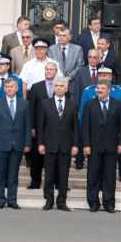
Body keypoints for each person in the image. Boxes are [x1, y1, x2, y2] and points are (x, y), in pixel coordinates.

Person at [82, 81, 121, 213]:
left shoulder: (118, 105)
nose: (99, 90)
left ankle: (109, 203)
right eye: (98, 88)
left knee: (109, 176)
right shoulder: (89, 104)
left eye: (102, 88)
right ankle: (93, 202)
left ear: (109, 90)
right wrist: (86, 144)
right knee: (93, 175)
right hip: (94, 147)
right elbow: (85, 127)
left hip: (111, 147)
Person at [37, 77, 78, 211]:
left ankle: (62, 202)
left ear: (66, 89)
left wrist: (75, 145)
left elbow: (76, 127)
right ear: (53, 88)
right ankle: (49, 201)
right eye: (57, 86)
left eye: (62, 86)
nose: (59, 88)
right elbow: (41, 126)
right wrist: (41, 143)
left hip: (66, 146)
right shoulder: (45, 104)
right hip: (50, 145)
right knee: (49, 175)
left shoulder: (72, 104)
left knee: (63, 175)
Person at [0, 78, 31, 209]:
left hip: (18, 144)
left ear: (17, 88)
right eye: (7, 86)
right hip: (1, 144)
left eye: (12, 86)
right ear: (4, 89)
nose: (9, 89)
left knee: (13, 174)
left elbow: (27, 125)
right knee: (0, 173)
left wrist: (27, 143)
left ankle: (12, 200)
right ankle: (0, 199)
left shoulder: (24, 104)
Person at [26, 61, 61, 190]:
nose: (48, 71)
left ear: (56, 71)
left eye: (51, 69)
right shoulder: (36, 87)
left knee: (56, 157)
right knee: (36, 157)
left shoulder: (61, 85)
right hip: (39, 128)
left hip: (56, 129)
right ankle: (35, 182)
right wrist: (32, 127)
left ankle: (57, 182)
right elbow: (31, 108)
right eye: (47, 69)